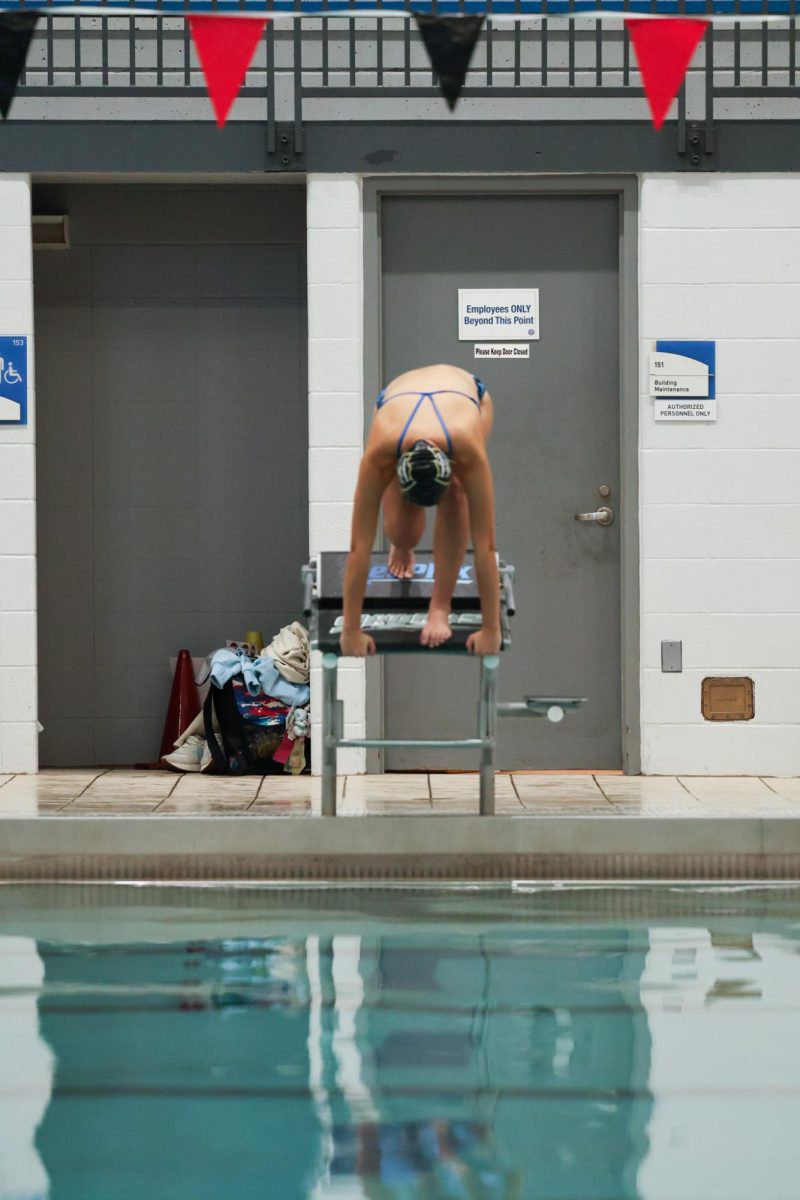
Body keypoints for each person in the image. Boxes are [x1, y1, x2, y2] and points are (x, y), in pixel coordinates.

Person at [340, 363, 501, 657]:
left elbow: (485, 545)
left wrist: (492, 629)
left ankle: (440, 606)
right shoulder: (381, 454)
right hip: (394, 406)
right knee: (403, 534)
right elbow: (358, 547)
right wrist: (350, 629)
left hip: (469, 397)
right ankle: (401, 546)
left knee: (457, 493)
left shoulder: (466, 446)